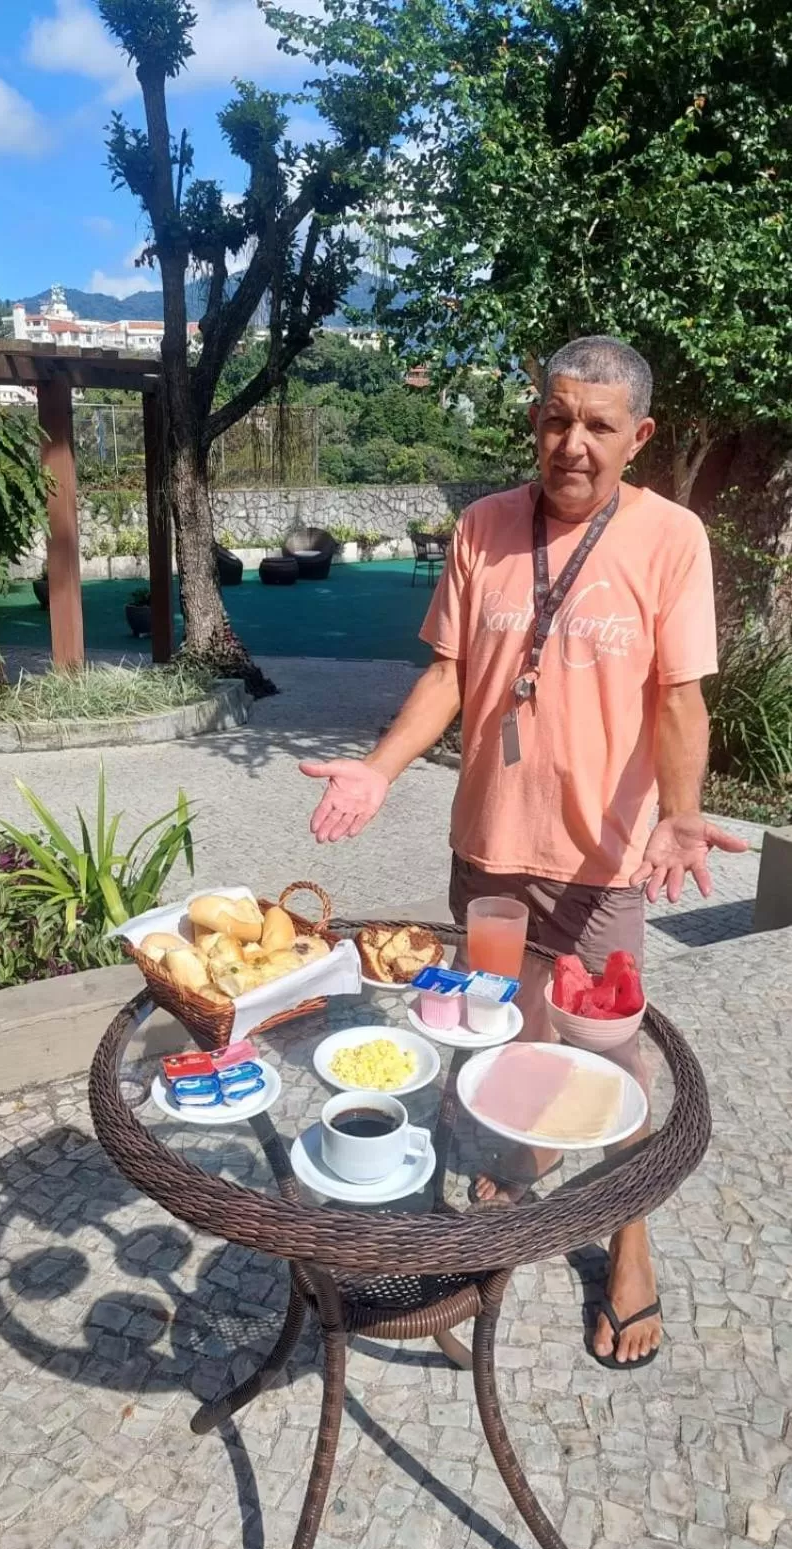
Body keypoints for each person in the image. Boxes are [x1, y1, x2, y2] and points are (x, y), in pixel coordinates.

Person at [302, 335, 745, 1369]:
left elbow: (679, 696)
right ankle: (525, 1153)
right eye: (556, 419)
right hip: (489, 848)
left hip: (602, 859)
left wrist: (680, 812)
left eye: (597, 425)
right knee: (502, 1026)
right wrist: (379, 768)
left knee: (611, 1060)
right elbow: (451, 675)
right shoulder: (484, 527)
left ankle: (629, 1245)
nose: (572, 443)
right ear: (534, 421)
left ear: (638, 436)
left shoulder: (671, 537)